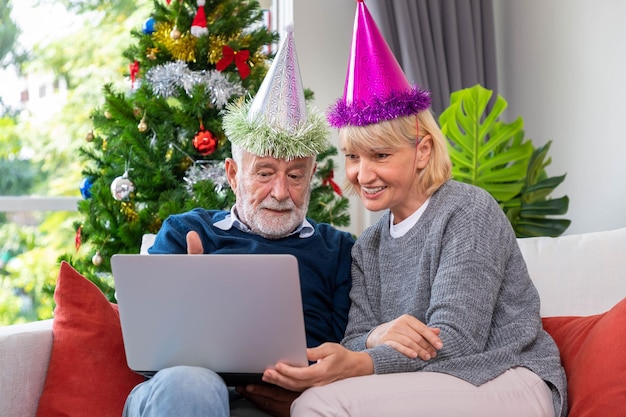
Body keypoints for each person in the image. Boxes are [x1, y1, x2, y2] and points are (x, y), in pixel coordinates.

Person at [261, 2, 568, 417]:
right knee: (319, 401)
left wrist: (365, 359)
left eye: (380, 155)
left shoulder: (468, 211)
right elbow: (355, 337)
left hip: (506, 377)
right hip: (429, 382)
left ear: (422, 151)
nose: (362, 173)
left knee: (321, 404)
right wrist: (377, 337)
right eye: (353, 156)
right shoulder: (368, 246)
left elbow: (456, 341)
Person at [122, 28, 355, 417]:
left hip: (288, 403)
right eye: (264, 173)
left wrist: (310, 391)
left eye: (295, 176)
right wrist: (188, 303)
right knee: (193, 385)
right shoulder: (187, 232)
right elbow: (149, 356)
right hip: (182, 395)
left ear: (311, 176)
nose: (281, 191)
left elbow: (350, 353)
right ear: (232, 175)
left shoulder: (339, 250)